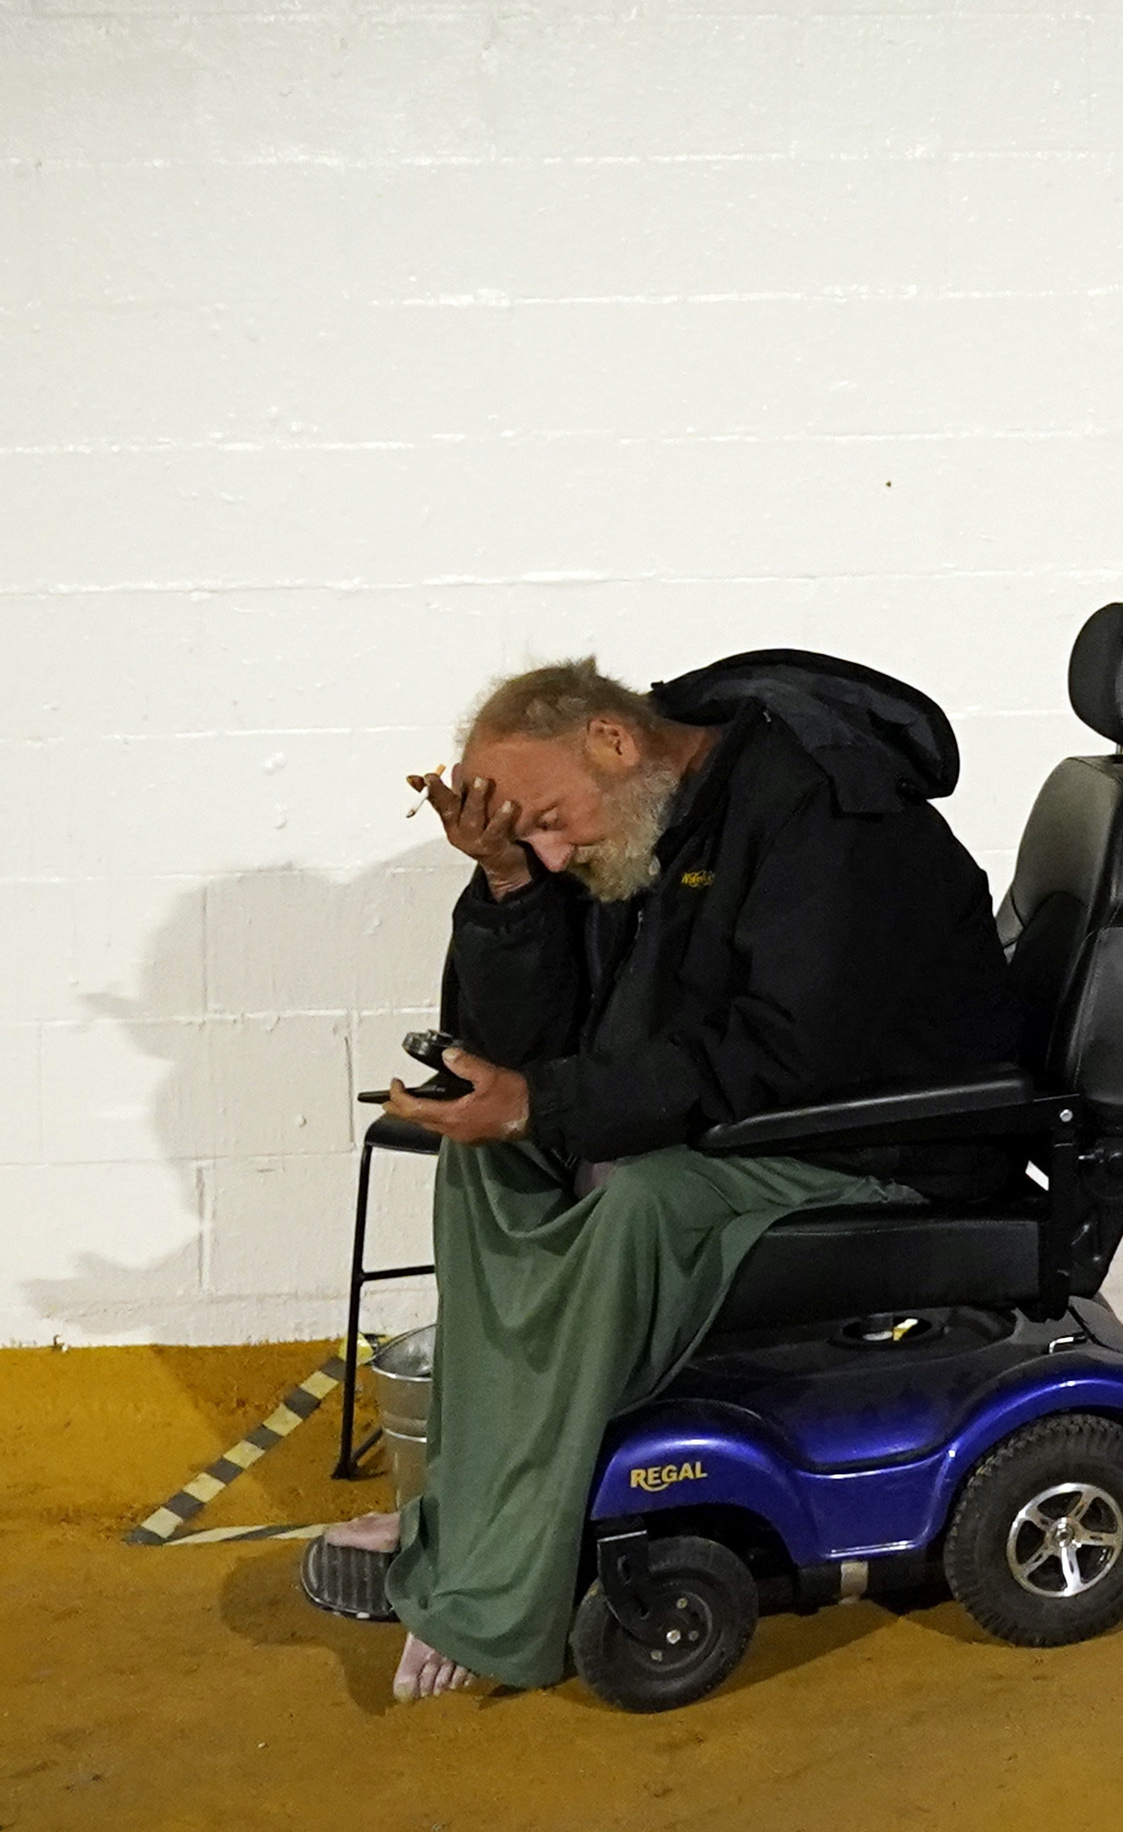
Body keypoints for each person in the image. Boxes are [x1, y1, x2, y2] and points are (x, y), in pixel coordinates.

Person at [306, 652, 1024, 1702]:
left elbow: (785, 1052)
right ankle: (466, 1514)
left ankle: (495, 1590)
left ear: (613, 737)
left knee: (640, 1201)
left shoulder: (831, 816)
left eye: (545, 820)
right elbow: (534, 1039)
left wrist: (550, 1103)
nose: (549, 850)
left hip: (882, 1146)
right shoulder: (651, 814)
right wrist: (506, 885)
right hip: (757, 1121)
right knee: (488, 1164)